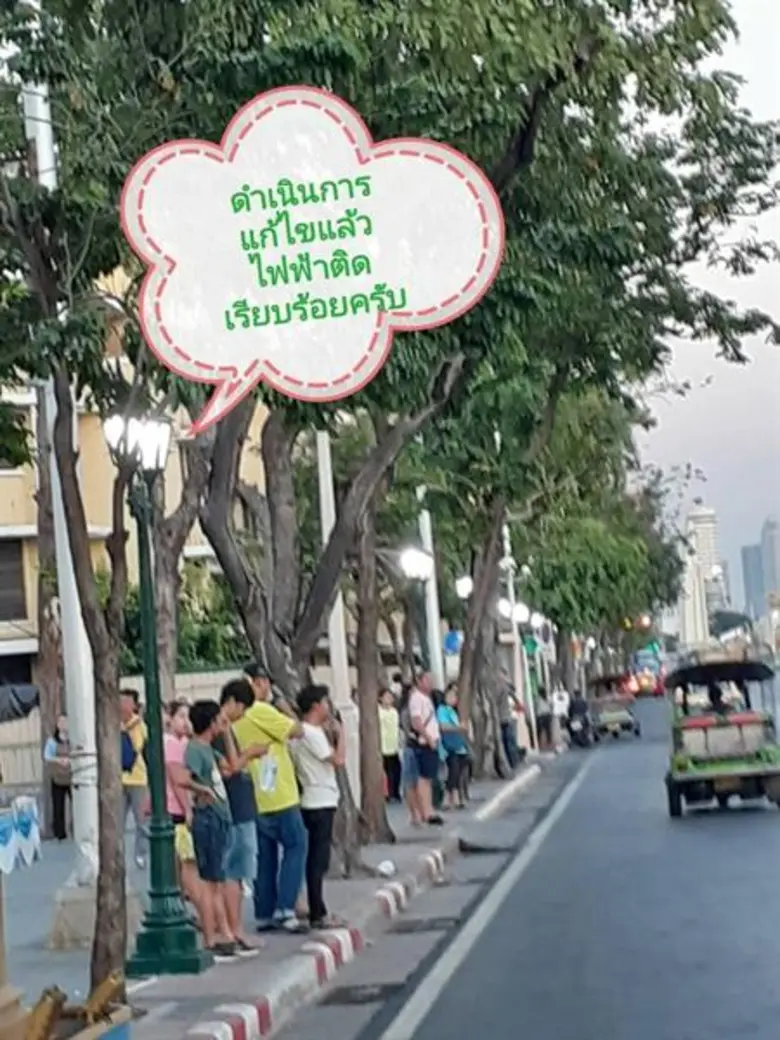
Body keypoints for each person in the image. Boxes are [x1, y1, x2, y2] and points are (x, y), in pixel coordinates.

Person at [232, 669, 308, 933]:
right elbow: (297, 730)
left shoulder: (236, 719)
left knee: (265, 857)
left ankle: (264, 911)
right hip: (279, 794)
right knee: (296, 846)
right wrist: (285, 707)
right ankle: (285, 907)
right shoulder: (260, 710)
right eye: (265, 684)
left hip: (254, 794)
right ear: (259, 683)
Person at [216, 679, 269, 952]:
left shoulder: (227, 729)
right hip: (235, 808)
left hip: (242, 806)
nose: (243, 714)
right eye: (243, 708)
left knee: (238, 872)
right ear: (233, 703)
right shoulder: (219, 730)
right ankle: (233, 929)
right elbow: (232, 766)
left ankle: (234, 929)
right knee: (234, 870)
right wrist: (251, 752)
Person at [184, 700, 238, 960]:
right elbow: (185, 778)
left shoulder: (209, 749)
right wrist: (200, 790)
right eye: (218, 720)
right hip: (208, 817)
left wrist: (227, 735)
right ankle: (214, 935)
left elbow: (232, 767)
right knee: (210, 880)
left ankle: (224, 932)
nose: (221, 723)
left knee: (217, 878)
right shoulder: (195, 749)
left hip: (220, 816)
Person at [293, 685, 345, 929]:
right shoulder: (311, 733)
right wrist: (341, 734)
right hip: (319, 799)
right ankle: (318, 912)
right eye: (325, 702)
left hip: (315, 798)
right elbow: (338, 760)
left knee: (316, 857)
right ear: (315, 706)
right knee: (317, 859)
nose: (328, 707)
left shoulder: (303, 733)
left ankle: (317, 907)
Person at [163, 700, 207, 930]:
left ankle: (183, 911)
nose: (185, 722)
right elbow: (176, 779)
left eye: (188, 717)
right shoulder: (171, 744)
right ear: (170, 719)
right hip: (175, 810)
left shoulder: (182, 743)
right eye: (181, 716)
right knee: (187, 866)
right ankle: (204, 914)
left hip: (175, 809)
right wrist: (188, 808)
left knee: (181, 867)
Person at [407, 671, 443, 826]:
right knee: (423, 778)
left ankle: (429, 809)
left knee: (428, 778)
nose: (430, 682)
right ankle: (426, 811)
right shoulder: (416, 698)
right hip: (425, 742)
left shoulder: (426, 698)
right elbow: (416, 722)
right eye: (427, 679)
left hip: (431, 741)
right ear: (419, 681)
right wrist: (428, 738)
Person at [120, 689, 149, 868]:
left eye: (126, 702)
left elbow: (138, 747)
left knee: (141, 821)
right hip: (118, 780)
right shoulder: (112, 723)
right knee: (117, 822)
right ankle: (118, 856)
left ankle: (141, 854)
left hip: (138, 778)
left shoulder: (139, 725)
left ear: (134, 705)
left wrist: (125, 732)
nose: (122, 705)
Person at [436, 687, 469, 810]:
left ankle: (455, 795)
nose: (452, 699)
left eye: (454, 697)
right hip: (447, 745)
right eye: (450, 696)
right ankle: (447, 797)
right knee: (452, 770)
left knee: (458, 771)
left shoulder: (454, 711)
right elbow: (443, 726)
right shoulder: (442, 710)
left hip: (458, 745)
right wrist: (459, 727)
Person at [43, 714, 71, 841]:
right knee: (58, 806)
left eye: (66, 722)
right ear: (58, 725)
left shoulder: (73, 739)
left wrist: (69, 760)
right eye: (61, 722)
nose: (64, 724)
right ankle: (60, 833)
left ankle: (77, 829)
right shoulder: (52, 741)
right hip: (57, 778)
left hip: (72, 778)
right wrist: (59, 760)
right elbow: (47, 756)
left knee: (77, 806)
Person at [378, 688, 401, 802]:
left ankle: (395, 792)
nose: (389, 699)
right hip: (383, 745)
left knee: (396, 770)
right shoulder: (378, 712)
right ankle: (387, 793)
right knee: (385, 771)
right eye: (386, 696)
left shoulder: (394, 712)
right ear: (380, 698)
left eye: (390, 697)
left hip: (394, 744)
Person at [497, 673, 519, 771]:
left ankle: (513, 762)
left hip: (507, 718)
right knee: (508, 741)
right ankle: (513, 761)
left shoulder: (505, 689)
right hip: (506, 718)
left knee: (509, 742)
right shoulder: (505, 690)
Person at [535, 686, 553, 750]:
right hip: (547, 715)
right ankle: (549, 743)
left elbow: (535, 706)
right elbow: (551, 705)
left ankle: (539, 743)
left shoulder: (537, 698)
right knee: (548, 730)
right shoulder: (548, 698)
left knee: (539, 730)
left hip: (541, 716)